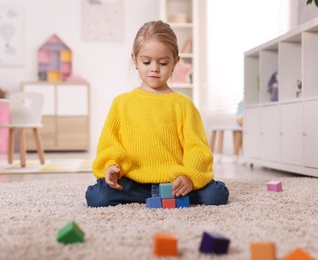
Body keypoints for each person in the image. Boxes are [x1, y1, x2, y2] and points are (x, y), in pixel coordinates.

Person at [85, 20, 229, 207]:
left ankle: (173, 192)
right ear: (134, 59)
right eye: (146, 61)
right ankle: (149, 195)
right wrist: (111, 166)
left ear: (175, 62)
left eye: (162, 62)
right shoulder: (121, 103)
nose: (154, 68)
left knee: (215, 196)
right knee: (97, 197)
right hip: (133, 182)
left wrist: (189, 177)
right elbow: (110, 144)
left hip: (175, 183)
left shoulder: (183, 104)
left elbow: (196, 148)